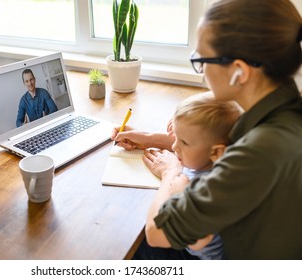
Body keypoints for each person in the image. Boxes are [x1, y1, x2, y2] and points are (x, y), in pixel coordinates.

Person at [114, 0, 302, 259]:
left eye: (202, 60)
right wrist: (151, 138)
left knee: (121, 243)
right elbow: (215, 144)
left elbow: (158, 232)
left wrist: (171, 172)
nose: (202, 74)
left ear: (239, 71)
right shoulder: (282, 115)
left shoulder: (261, 149)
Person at [113, 93, 242, 259]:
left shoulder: (207, 190)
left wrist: (175, 182)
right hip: (186, 244)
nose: (174, 146)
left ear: (217, 151)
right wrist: (147, 138)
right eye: (175, 137)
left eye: (183, 142)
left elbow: (190, 240)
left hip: (194, 258)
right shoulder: (214, 161)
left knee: (127, 242)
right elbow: (196, 143)